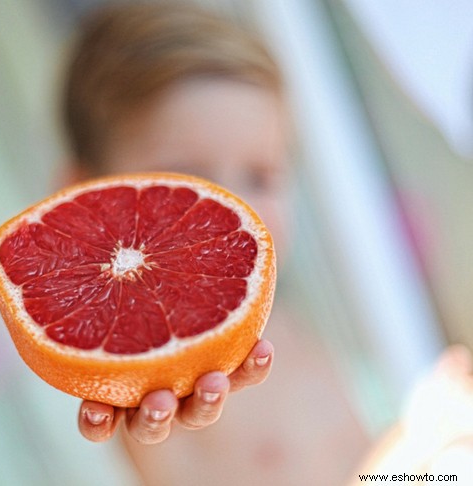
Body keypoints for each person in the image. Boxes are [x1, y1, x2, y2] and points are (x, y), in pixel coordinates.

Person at [57, 2, 371, 484]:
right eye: (191, 189)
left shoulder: (282, 327)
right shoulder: (161, 363)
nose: (237, 214)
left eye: (260, 176)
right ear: (86, 198)